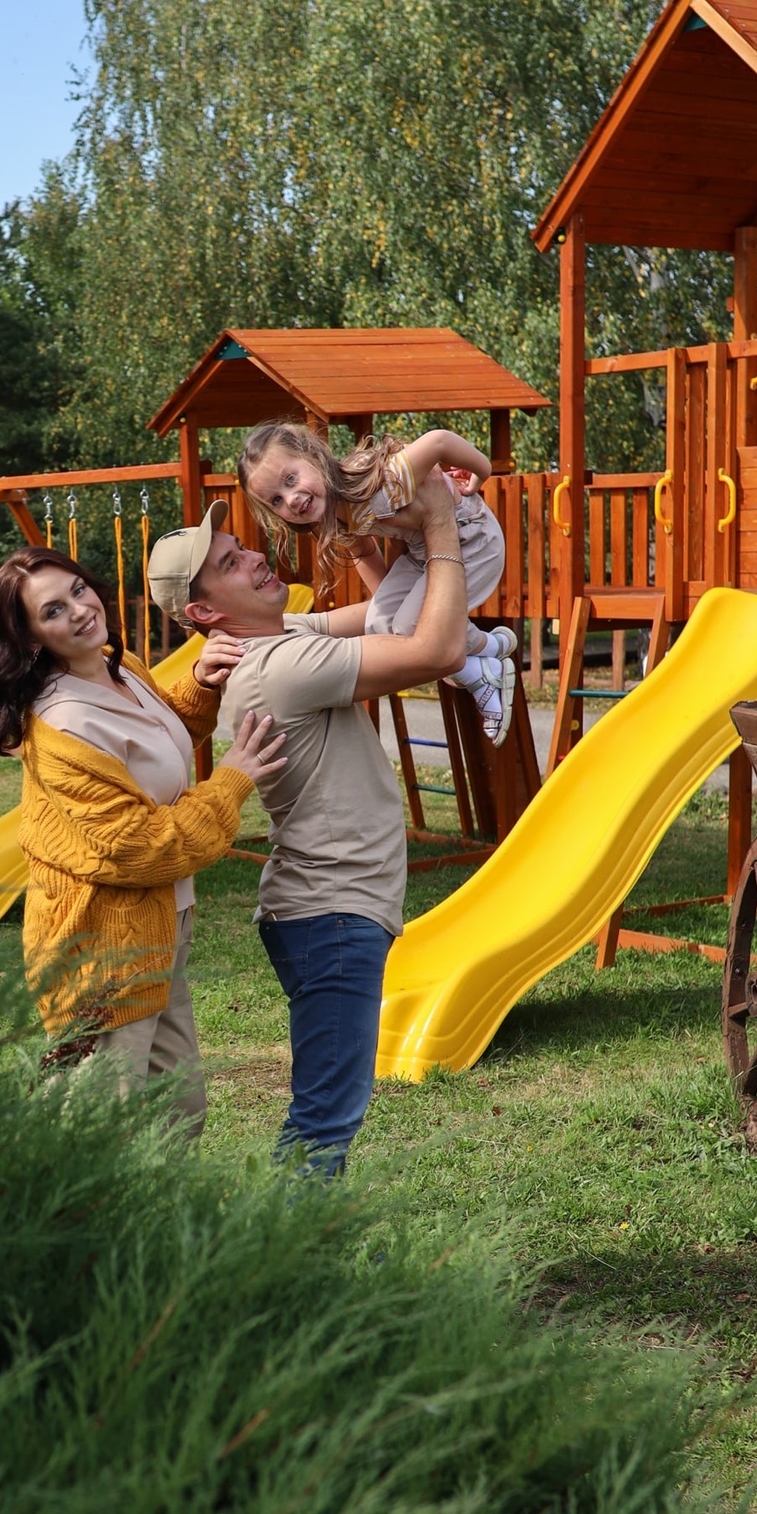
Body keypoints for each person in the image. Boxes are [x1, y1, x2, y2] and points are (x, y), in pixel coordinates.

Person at [147, 476, 469, 1179]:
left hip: (325, 912)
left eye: (241, 546)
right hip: (331, 916)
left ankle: (290, 1237)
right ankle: (284, 1244)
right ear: (204, 611)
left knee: (326, 1113)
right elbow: (437, 649)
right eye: (230, 563)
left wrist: (363, 538)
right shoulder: (283, 666)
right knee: (325, 1119)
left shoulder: (282, 637)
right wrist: (441, 523)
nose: (254, 557)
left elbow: (386, 613)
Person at [0, 543, 285, 1136]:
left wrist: (198, 684)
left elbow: (155, 749)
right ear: (31, 637)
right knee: (100, 1133)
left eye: (78, 591)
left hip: (159, 925)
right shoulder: (64, 724)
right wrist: (230, 783)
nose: (79, 610)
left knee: (179, 1111)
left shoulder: (119, 668)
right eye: (53, 611)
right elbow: (141, 846)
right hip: (101, 948)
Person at [238, 419, 516, 741]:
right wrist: (390, 607)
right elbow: (366, 552)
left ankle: (489, 652)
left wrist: (481, 472)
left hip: (472, 542)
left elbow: (438, 441)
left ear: (313, 456)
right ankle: (478, 666)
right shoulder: (333, 512)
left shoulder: (382, 483)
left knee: (414, 627)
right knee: (380, 622)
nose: (291, 499)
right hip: (422, 553)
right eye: (276, 500)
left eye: (290, 479)